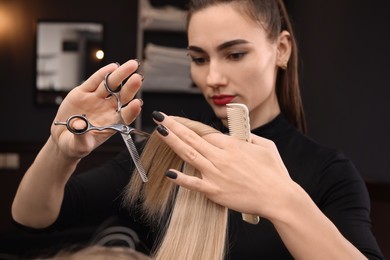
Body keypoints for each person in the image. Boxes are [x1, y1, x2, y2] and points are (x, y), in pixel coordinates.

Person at [11, 0, 384, 259]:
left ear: (282, 49)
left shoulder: (329, 173)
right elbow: (32, 216)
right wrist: (61, 151)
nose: (213, 78)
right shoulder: (167, 150)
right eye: (198, 59)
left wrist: (283, 201)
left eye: (235, 54)